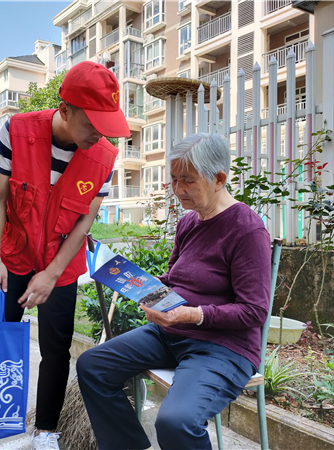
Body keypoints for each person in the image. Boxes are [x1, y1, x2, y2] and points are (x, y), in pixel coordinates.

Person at [0, 61, 130, 450]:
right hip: (12, 259)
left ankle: (46, 433)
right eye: (93, 123)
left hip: (62, 264)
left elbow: (84, 223)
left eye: (107, 124)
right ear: (65, 109)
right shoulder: (16, 131)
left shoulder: (104, 156)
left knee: (56, 351)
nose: (100, 134)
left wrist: (53, 274)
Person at [76, 133, 272, 450]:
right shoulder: (189, 222)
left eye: (188, 181)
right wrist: (141, 284)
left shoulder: (247, 230)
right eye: (174, 179)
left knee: (175, 422)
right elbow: (177, 277)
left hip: (222, 347)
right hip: (171, 333)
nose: (178, 190)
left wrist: (192, 315)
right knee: (92, 366)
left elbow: (254, 311)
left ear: (219, 179)